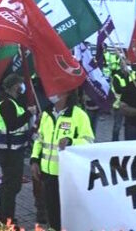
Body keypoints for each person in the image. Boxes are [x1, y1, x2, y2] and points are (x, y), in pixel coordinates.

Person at [30, 91, 94, 231]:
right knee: (51, 210)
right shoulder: (46, 114)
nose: (52, 94)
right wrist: (34, 160)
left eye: (56, 91)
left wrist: (71, 141)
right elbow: (39, 140)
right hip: (47, 173)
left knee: (67, 211)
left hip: (66, 174)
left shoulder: (78, 115)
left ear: (66, 94)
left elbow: (88, 141)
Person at [0, 74, 37, 225]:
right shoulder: (7, 104)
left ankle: (2, 216)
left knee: (8, 184)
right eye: (20, 84)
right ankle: (7, 220)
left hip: (12, 149)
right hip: (9, 151)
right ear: (14, 86)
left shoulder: (11, 102)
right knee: (12, 186)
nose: (22, 87)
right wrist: (29, 114)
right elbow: (13, 125)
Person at [110, 60, 134, 141]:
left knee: (129, 126)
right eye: (126, 64)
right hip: (119, 106)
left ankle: (128, 141)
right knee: (117, 126)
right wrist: (129, 89)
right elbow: (118, 90)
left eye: (129, 64)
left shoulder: (133, 74)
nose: (128, 66)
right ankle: (114, 142)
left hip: (130, 105)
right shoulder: (116, 76)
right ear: (121, 66)